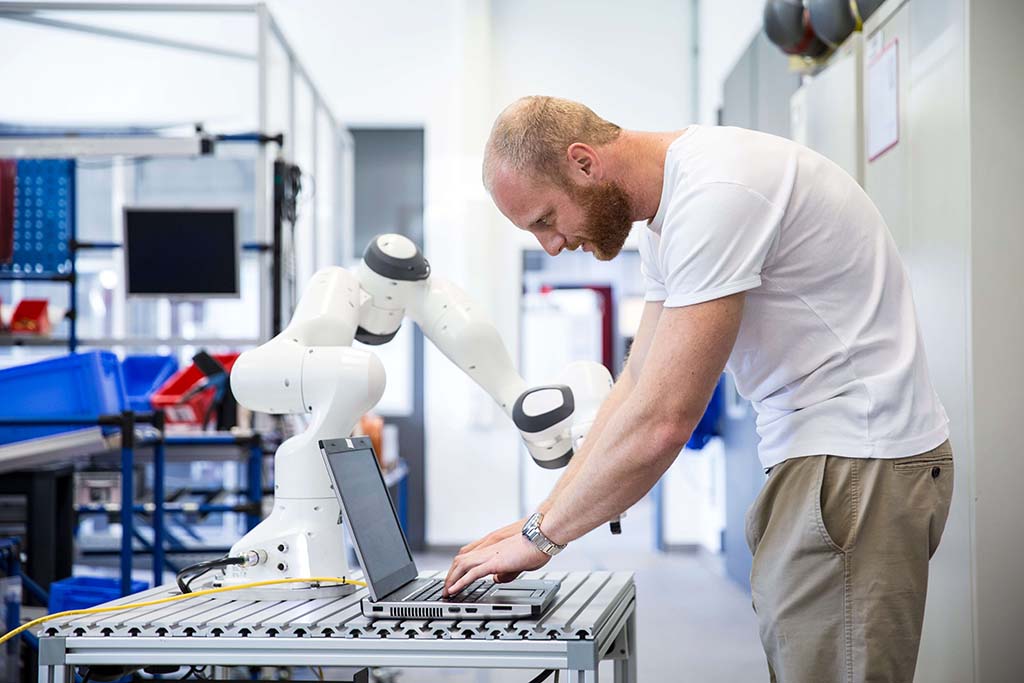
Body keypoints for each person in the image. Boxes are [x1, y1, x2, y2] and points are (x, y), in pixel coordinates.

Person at [443, 96, 952, 682]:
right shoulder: (671, 217)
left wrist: (542, 538)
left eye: (545, 220)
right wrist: (544, 514)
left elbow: (665, 418)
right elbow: (637, 382)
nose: (551, 246)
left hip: (856, 463)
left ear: (583, 162)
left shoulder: (718, 191)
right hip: (831, 462)